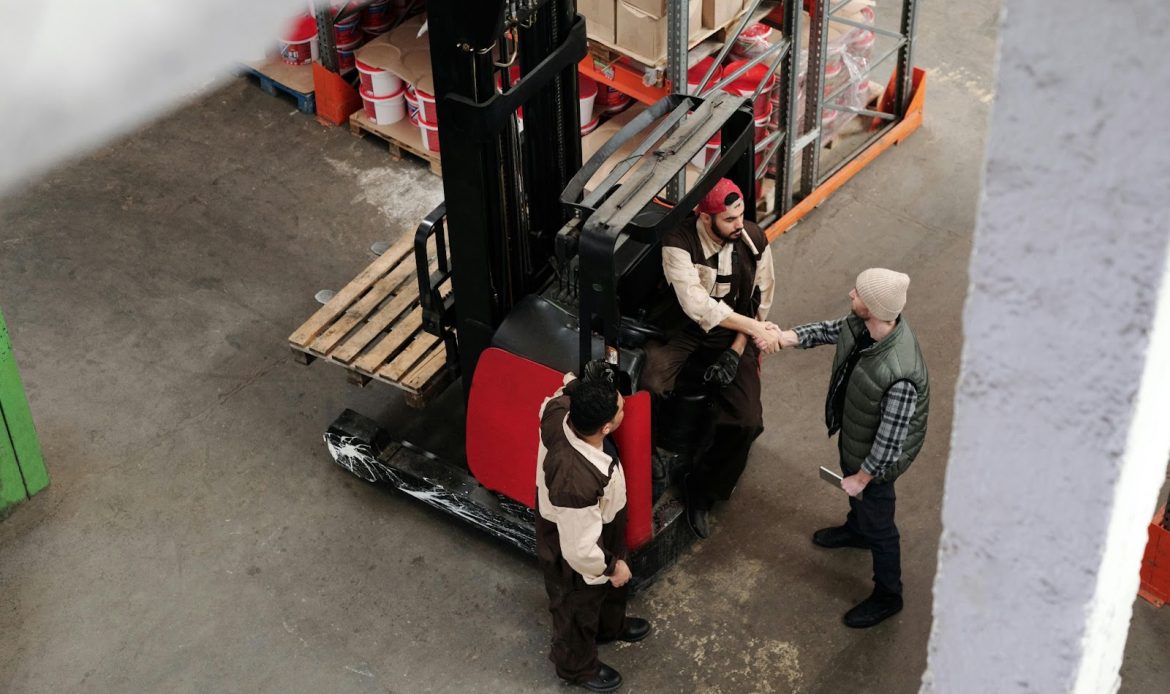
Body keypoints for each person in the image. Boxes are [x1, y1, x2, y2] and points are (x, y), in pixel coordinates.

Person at [774, 268, 930, 628]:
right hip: (857, 436)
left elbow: (890, 441)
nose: (850, 295)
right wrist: (787, 337)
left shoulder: (901, 373)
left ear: (873, 308)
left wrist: (863, 477)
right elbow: (832, 330)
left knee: (882, 526)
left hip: (876, 462)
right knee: (853, 484)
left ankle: (889, 595)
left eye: (857, 293)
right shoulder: (864, 327)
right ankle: (856, 529)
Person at [642, 178, 780, 539]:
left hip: (733, 331)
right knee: (651, 383)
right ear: (705, 218)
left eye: (741, 216)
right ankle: (650, 455)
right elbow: (696, 306)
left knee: (747, 421)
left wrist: (737, 350)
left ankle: (701, 488)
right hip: (684, 328)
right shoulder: (678, 243)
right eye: (729, 220)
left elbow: (759, 304)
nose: (739, 226)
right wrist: (752, 326)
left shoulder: (754, 241)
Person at [535, 362, 652, 692]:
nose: (623, 405)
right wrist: (612, 567)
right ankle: (576, 667)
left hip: (602, 519)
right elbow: (579, 550)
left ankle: (609, 627)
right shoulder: (575, 481)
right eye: (619, 407)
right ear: (605, 427)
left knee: (606, 592)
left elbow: (561, 390)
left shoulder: (559, 409)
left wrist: (581, 381)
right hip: (573, 537)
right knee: (576, 603)